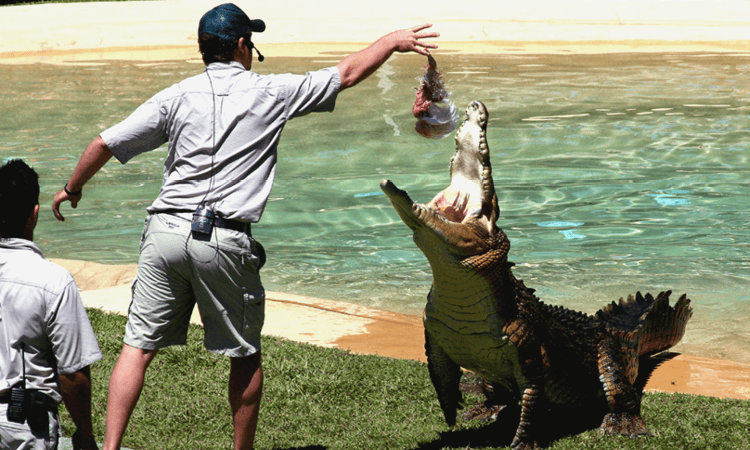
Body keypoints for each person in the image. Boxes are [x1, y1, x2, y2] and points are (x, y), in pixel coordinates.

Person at [51, 3, 438, 449]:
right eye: (250, 42)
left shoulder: (176, 96)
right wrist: (392, 40)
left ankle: (111, 448)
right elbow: (346, 74)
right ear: (241, 45)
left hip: (163, 233)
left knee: (138, 347)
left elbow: (104, 142)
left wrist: (72, 187)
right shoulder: (271, 92)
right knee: (245, 354)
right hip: (222, 237)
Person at [0, 159, 102, 450]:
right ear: (34, 214)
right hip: (24, 426)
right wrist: (84, 434)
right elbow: (73, 376)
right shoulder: (54, 282)